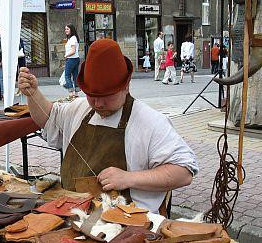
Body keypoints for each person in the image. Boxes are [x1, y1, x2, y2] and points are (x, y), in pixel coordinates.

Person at [17, 38, 198, 214]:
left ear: (126, 86)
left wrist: (128, 178)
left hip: (125, 226)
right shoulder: (79, 108)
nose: (98, 104)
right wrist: (33, 94)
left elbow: (183, 172)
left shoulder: (151, 121)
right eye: (92, 95)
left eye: (106, 96)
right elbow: (48, 117)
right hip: (71, 215)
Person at [64, 24, 81, 98]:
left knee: (67, 76)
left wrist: (66, 55)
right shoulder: (72, 38)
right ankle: (76, 93)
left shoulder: (73, 39)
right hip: (75, 59)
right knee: (75, 76)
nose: (66, 31)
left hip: (71, 59)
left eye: (67, 29)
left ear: (71, 30)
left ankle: (71, 93)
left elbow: (73, 51)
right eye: (65, 29)